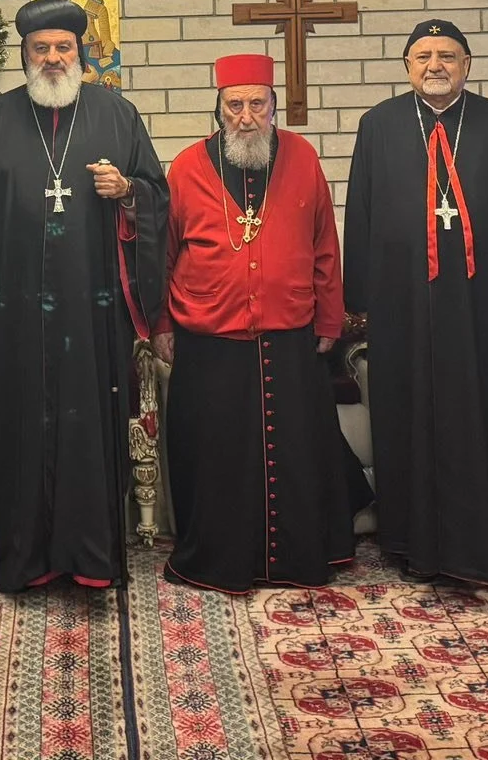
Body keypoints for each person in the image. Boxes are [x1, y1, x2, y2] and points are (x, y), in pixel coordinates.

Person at [0, 0, 168, 591]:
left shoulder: (118, 116)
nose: (52, 58)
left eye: (63, 47)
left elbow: (157, 197)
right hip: (14, 316)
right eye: (40, 48)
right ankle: (25, 560)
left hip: (94, 317)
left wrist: (128, 193)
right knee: (21, 432)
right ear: (24, 55)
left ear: (82, 53)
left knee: (90, 431)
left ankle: (91, 557)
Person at [344, 18, 488, 585]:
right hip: (402, 304)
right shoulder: (379, 125)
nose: (435, 65)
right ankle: (411, 543)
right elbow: (359, 214)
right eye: (423, 56)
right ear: (407, 65)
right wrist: (357, 300)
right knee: (409, 413)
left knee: (486, 416)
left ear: (468, 64)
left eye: (448, 55)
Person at [154, 53, 353, 592]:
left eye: (257, 105)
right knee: (217, 456)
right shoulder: (188, 166)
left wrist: (330, 317)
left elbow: (324, 246)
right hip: (208, 335)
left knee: (295, 453)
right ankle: (218, 559)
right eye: (235, 105)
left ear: (273, 107)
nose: (246, 116)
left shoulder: (303, 157)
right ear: (218, 109)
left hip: (289, 331)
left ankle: (295, 558)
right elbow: (165, 252)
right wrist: (161, 325)